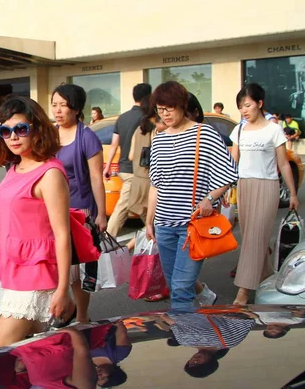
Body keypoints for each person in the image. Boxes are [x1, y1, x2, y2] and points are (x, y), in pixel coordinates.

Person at [146, 81, 238, 310]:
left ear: (182, 104)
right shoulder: (158, 138)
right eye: (160, 109)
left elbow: (229, 172)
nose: (164, 114)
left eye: (169, 108)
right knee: (174, 284)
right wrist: (149, 220)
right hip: (164, 224)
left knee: (180, 290)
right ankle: (202, 305)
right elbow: (155, 184)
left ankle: (187, 335)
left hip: (192, 225)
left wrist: (210, 199)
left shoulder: (203, 133)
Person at [0, 96, 73, 348]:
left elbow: (62, 235)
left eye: (21, 129)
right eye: (5, 131)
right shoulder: (16, 167)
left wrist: (62, 289)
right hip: (12, 268)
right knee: (32, 351)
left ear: (37, 129)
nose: (13, 137)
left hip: (36, 274)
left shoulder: (49, 173)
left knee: (0, 350)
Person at [230, 83, 300, 305]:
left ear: (260, 104)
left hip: (267, 186)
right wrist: (225, 188)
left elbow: (284, 164)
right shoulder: (239, 130)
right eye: (241, 106)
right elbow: (232, 163)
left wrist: (293, 193)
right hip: (244, 187)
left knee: (255, 238)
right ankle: (265, 275)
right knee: (251, 236)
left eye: (248, 105)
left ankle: (243, 290)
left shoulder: (274, 130)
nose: (244, 110)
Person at [52, 84, 107, 324]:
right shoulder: (49, 135)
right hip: (53, 209)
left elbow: (96, 178)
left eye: (63, 105)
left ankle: (82, 317)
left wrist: (101, 214)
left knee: (78, 270)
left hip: (80, 211)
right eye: (54, 105)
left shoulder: (87, 137)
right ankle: (67, 307)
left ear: (76, 108)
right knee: (58, 265)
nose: (58, 110)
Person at [104, 83, 152, 238]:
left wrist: (108, 166)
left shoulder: (122, 118)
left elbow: (113, 145)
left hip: (123, 168)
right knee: (124, 206)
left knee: (141, 206)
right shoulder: (146, 119)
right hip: (138, 171)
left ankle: (153, 234)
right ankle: (107, 240)